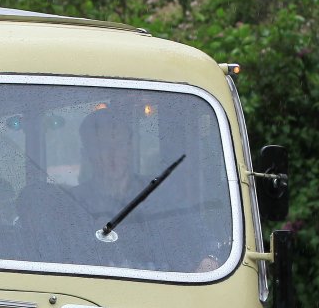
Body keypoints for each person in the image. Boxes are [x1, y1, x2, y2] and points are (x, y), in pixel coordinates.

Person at [72, 105, 220, 273]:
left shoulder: (162, 194)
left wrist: (209, 261)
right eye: (103, 147)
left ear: (130, 148)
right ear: (87, 153)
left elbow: (205, 243)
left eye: (119, 145)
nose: (113, 154)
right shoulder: (73, 204)